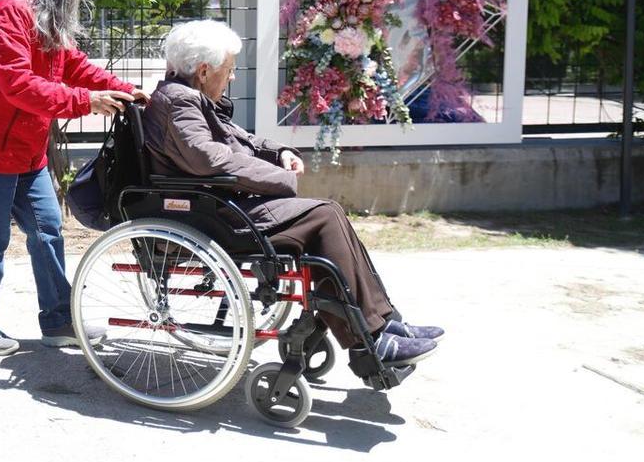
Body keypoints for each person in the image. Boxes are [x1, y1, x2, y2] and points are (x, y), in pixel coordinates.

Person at [141, 19, 444, 366]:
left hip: (219, 205)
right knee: (325, 217)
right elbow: (210, 159)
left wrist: (278, 152)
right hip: (212, 215)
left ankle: (384, 323)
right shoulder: (181, 102)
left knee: (329, 218)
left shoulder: (186, 96)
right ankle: (370, 341)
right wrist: (279, 178)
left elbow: (237, 138)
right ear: (205, 70)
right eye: (230, 69)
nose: (233, 77)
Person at [0, 0, 149, 356]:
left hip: (25, 150)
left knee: (48, 229)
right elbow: (18, 85)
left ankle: (58, 320)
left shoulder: (49, 20)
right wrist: (86, 101)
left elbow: (77, 68)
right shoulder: (10, 15)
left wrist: (125, 90)